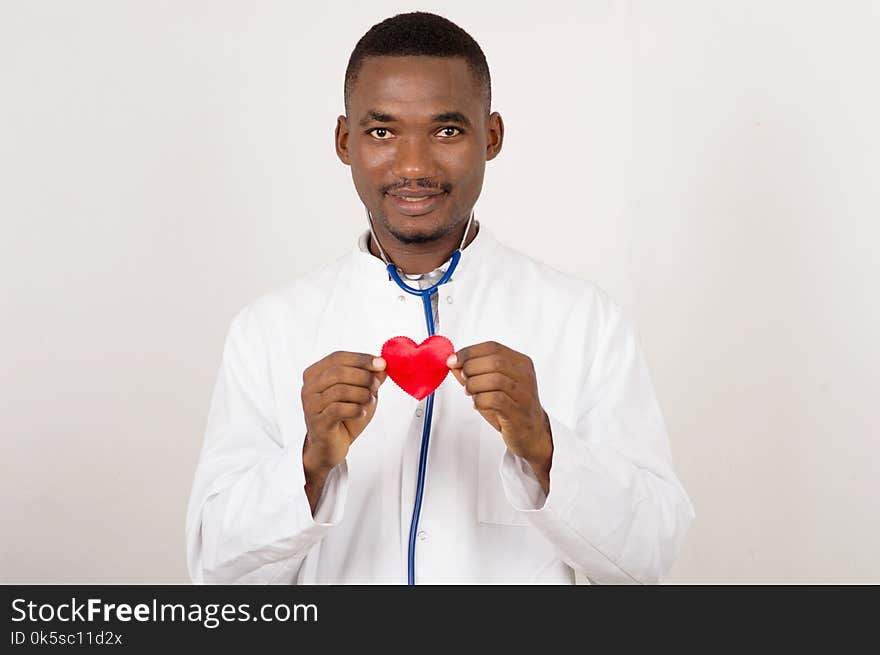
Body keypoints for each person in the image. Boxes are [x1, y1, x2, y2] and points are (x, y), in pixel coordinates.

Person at [185, 11, 694, 585]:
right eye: (382, 132)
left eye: (447, 130)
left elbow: (651, 556)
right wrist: (308, 468)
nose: (413, 166)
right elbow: (214, 571)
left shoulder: (583, 322)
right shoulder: (270, 330)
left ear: (492, 136)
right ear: (344, 141)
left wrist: (545, 448)